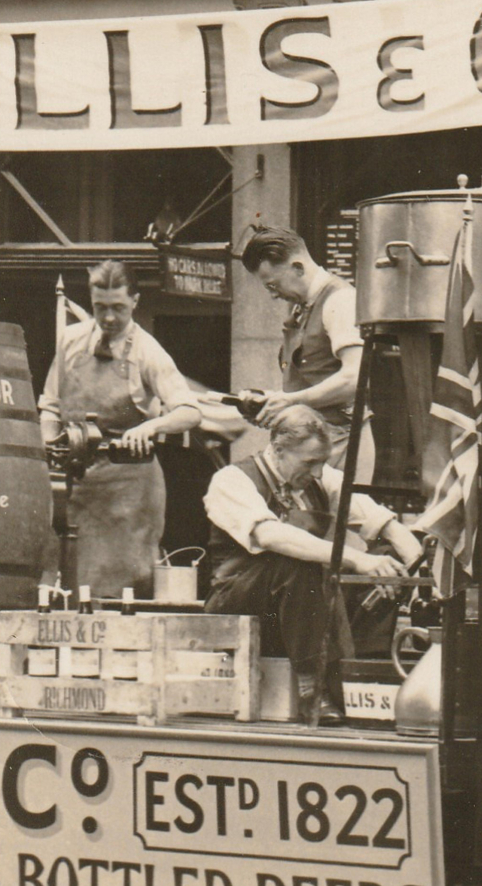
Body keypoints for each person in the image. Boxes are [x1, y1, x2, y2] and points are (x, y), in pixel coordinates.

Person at [203, 404, 423, 720]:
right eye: (309, 462)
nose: (317, 472)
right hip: (240, 603)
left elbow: (380, 520)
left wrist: (413, 564)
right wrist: (357, 560)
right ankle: (312, 687)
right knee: (300, 563)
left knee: (385, 563)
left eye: (322, 462)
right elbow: (269, 536)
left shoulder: (319, 479)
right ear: (278, 449)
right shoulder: (232, 479)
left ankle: (357, 675)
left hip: (300, 610)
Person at [38, 260, 202, 599]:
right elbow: (50, 406)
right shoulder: (70, 342)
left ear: (135, 302)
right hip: (75, 484)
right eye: (100, 307)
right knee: (64, 582)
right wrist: (49, 449)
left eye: (118, 308)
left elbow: (190, 412)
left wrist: (153, 425)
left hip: (129, 493)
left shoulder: (147, 352)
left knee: (121, 588)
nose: (109, 317)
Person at [240, 225, 375, 481]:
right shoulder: (303, 308)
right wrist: (274, 404)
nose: (272, 295)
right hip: (313, 443)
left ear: (298, 268)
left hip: (339, 442)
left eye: (273, 285)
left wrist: (290, 401)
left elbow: (354, 379)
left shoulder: (340, 301)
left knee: (338, 519)